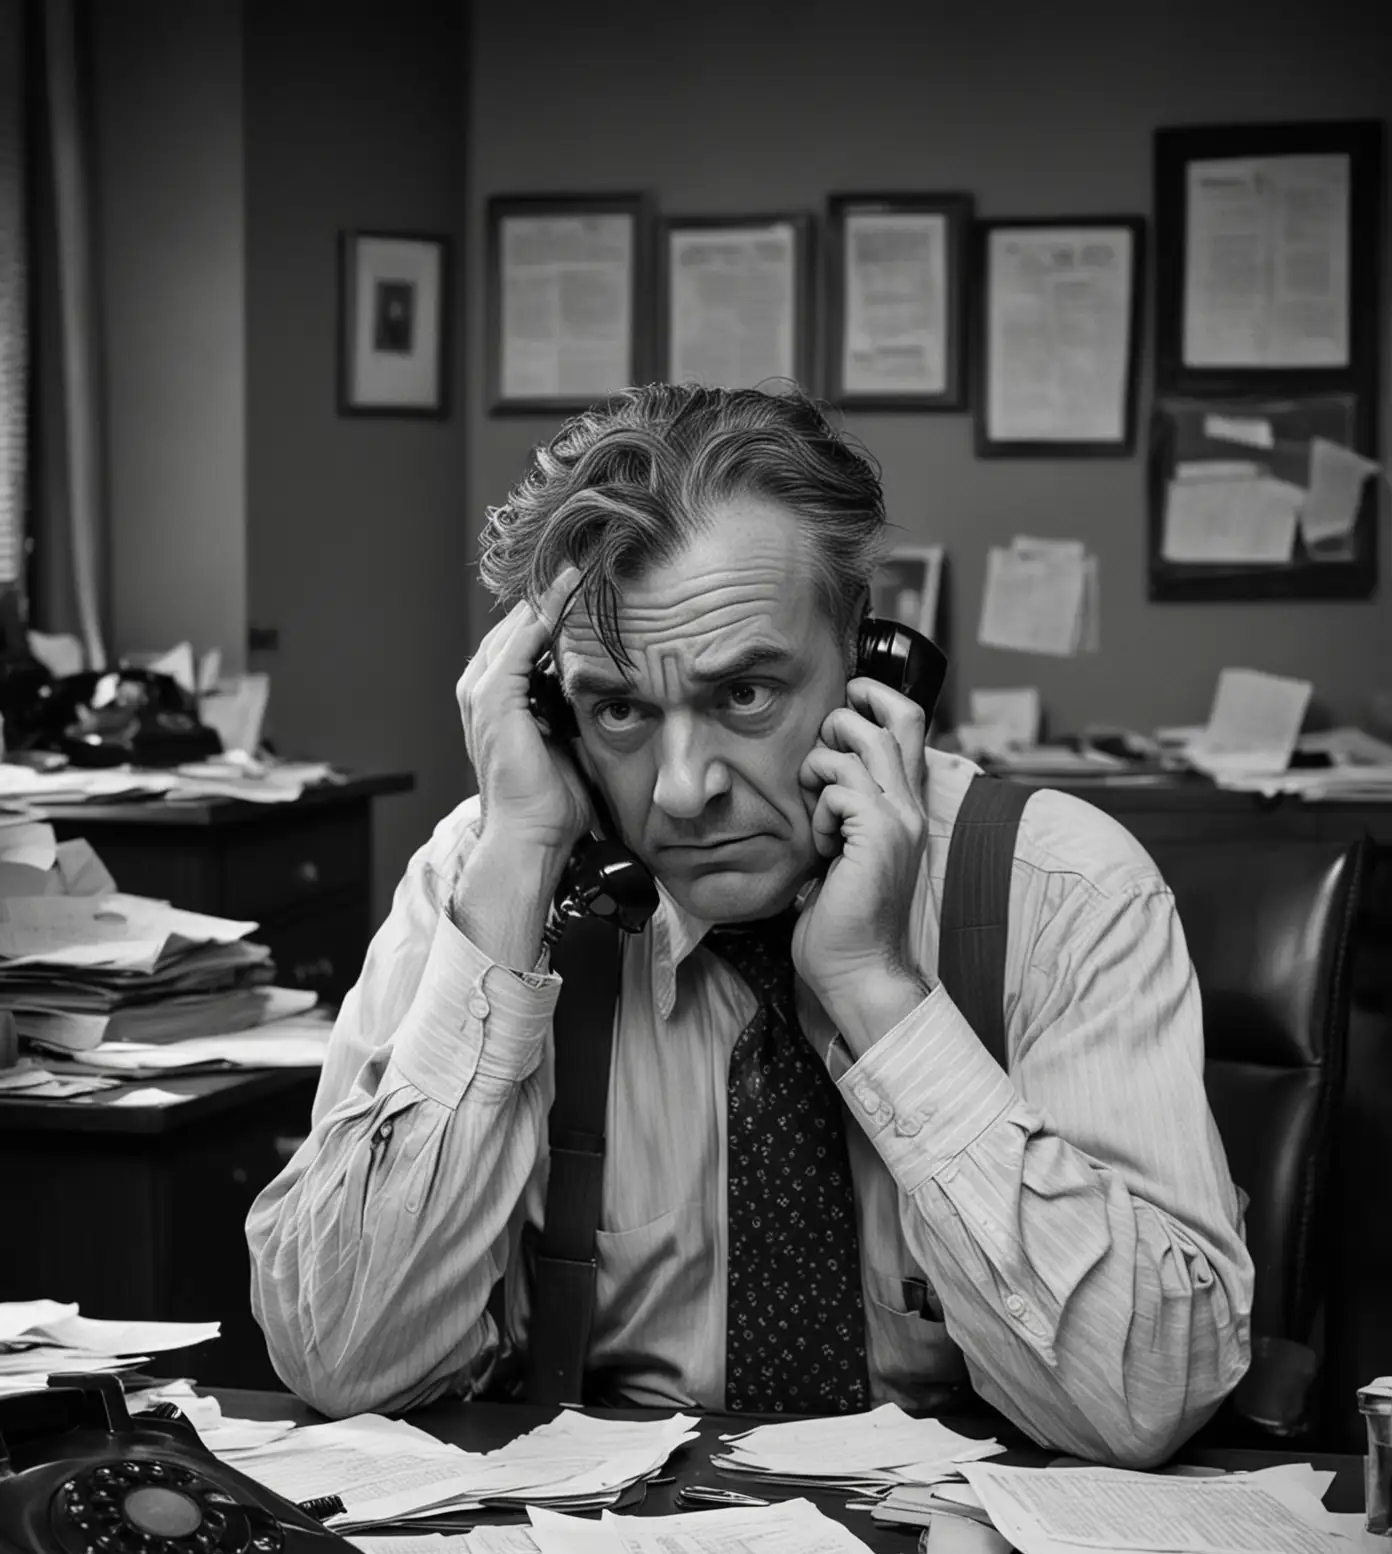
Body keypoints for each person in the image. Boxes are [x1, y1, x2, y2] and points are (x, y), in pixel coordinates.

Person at [247, 382, 1252, 1466]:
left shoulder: (1060, 888)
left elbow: (1147, 1399)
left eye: (746, 696)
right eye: (620, 709)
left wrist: (877, 989)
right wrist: (514, 877)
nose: (683, 791)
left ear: (868, 662)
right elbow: (338, 1359)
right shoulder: (486, 877)